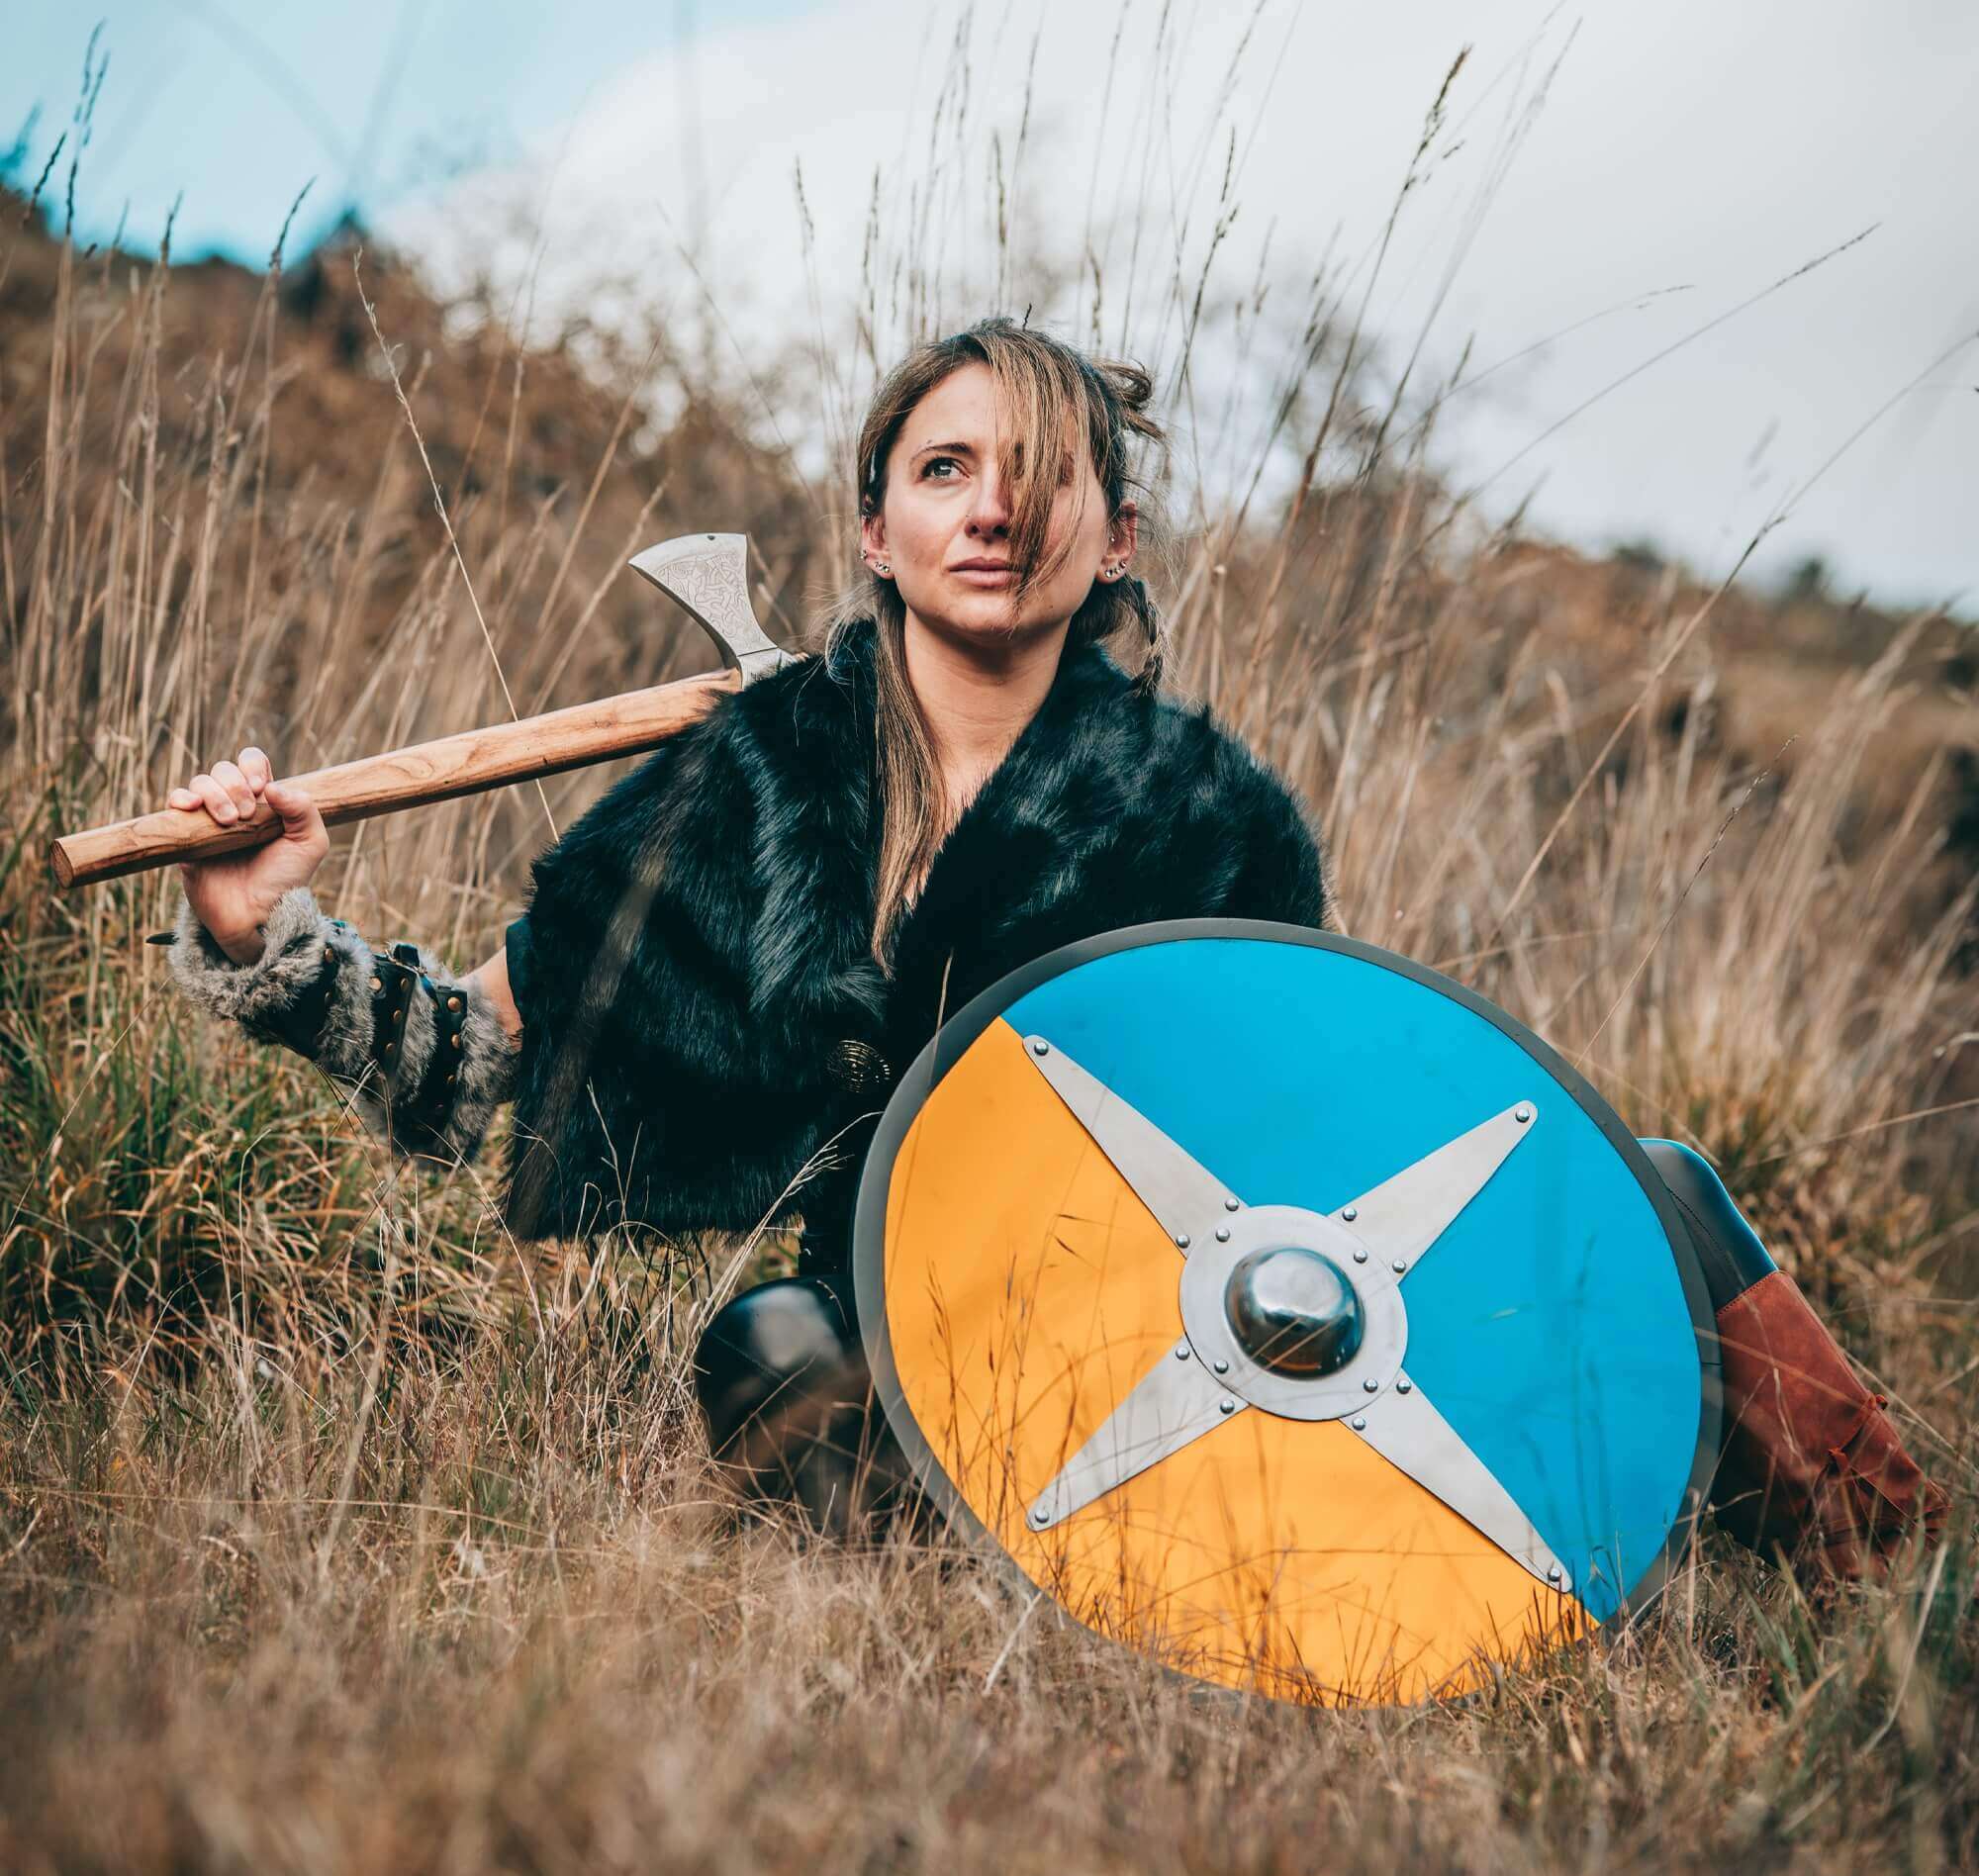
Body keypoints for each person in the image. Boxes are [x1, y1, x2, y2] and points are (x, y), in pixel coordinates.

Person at [160, 318, 1943, 1574]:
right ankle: (989, 1610)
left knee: (1661, 1193)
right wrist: (273, 938)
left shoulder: (1213, 820)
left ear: (1115, 535)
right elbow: (488, 1071)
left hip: (1226, 1325)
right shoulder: (746, 797)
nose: (992, 507)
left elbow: (1316, 1153)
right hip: (930, 1333)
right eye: (944, 470)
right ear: (880, 529)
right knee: (772, 1350)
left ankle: (1883, 1579)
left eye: (1040, 474)